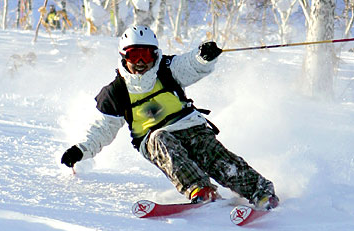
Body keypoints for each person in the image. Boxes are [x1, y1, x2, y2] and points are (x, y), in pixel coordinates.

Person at [61, 25, 279, 209]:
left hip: (189, 126)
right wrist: (80, 150)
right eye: (134, 55)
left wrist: (203, 57)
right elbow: (102, 130)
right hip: (153, 138)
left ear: (155, 55)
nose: (140, 62)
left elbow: (190, 65)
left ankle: (259, 191)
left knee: (211, 153)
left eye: (145, 55)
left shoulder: (166, 70)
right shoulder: (116, 92)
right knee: (161, 140)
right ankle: (200, 189)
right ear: (123, 56)